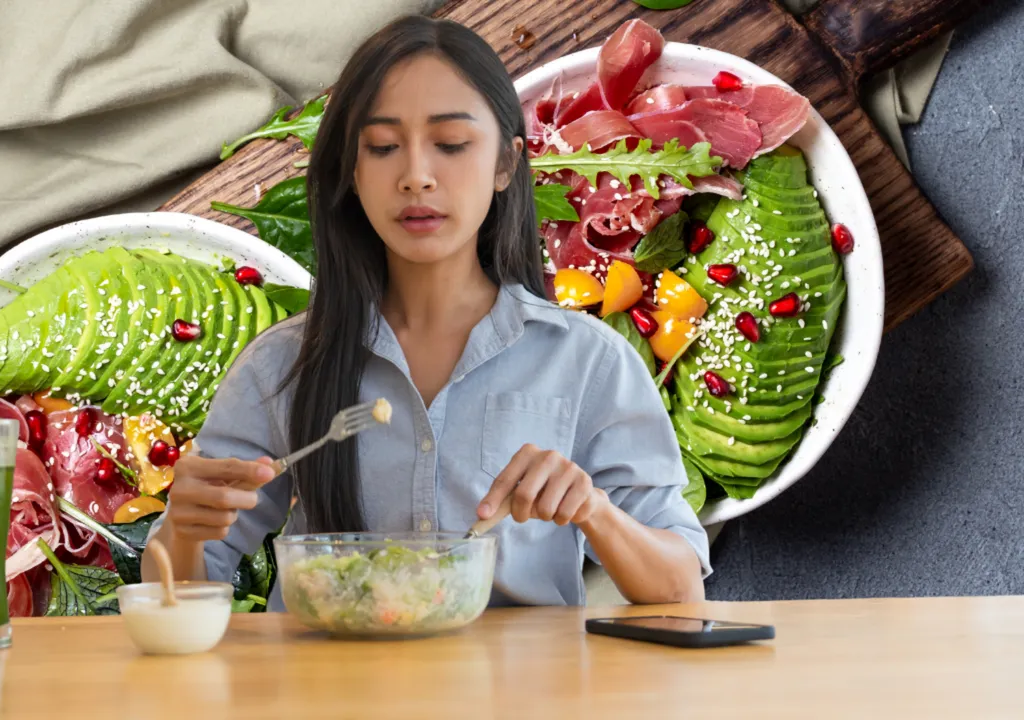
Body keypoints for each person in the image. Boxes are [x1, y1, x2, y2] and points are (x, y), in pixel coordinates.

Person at [144, 14, 709, 607]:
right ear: (352, 173)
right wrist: (186, 527)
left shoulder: (591, 362)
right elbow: (172, 597)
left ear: (504, 164)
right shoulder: (282, 364)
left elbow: (680, 586)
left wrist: (594, 510)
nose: (416, 177)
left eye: (451, 144)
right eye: (384, 148)